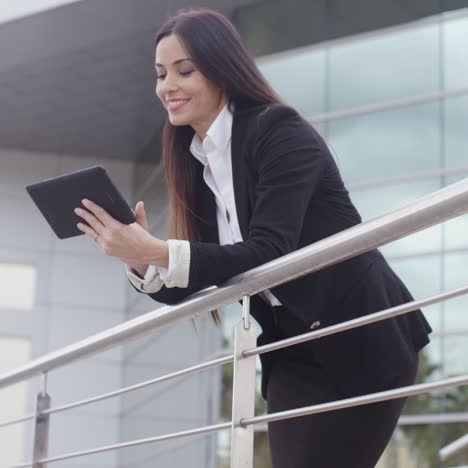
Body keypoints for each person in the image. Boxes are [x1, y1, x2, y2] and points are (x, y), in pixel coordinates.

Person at [74, 8, 432, 467]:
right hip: (292, 352)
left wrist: (158, 249)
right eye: (161, 74)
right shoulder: (195, 159)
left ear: (222, 68)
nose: (167, 86)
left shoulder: (278, 131)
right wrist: (142, 260)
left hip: (362, 340)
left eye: (185, 70)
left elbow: (268, 250)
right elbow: (201, 277)